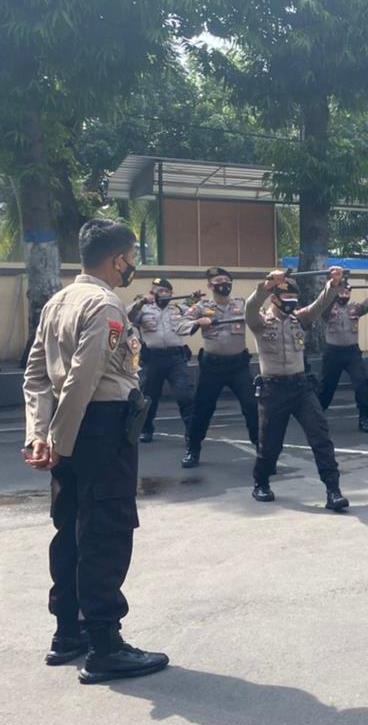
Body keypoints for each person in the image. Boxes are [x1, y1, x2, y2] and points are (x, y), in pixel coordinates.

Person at [23, 219, 168, 684]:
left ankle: (68, 633)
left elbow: (36, 377)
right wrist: (59, 442)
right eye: (131, 257)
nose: (133, 267)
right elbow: (84, 378)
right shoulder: (105, 304)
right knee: (105, 531)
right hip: (100, 429)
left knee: (69, 530)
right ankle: (105, 645)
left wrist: (40, 436)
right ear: (117, 259)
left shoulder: (57, 302)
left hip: (68, 432)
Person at [246, 269, 349, 509]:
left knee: (320, 436)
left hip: (301, 387)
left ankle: (333, 490)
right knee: (270, 445)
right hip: (273, 390)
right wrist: (266, 285)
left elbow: (319, 305)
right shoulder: (260, 322)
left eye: (294, 299)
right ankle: (260, 483)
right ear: (274, 298)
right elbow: (250, 308)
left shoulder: (299, 319)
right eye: (287, 299)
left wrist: (333, 284)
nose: (292, 303)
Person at [176, 267, 258, 468]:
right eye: (219, 281)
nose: (224, 284)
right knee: (202, 409)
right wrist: (197, 322)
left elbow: (259, 311)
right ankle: (193, 450)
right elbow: (179, 325)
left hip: (238, 365)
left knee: (252, 407)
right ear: (210, 286)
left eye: (226, 280)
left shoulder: (241, 304)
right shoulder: (202, 307)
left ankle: (263, 450)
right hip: (212, 367)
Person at [127, 278, 195, 442]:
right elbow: (128, 315)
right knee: (148, 397)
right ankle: (146, 429)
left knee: (185, 394)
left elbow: (196, 313)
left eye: (165, 291)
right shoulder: (143, 309)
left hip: (176, 358)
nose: (162, 293)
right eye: (157, 290)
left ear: (171, 293)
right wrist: (141, 302)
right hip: (152, 358)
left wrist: (195, 301)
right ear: (152, 293)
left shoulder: (177, 308)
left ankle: (192, 432)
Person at [318, 281, 368, 431]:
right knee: (326, 388)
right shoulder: (328, 308)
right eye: (341, 292)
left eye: (347, 292)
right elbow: (323, 309)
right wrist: (332, 290)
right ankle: (316, 417)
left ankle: (364, 417)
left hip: (352, 353)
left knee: (362, 383)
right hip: (333, 353)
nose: (344, 295)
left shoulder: (354, 308)